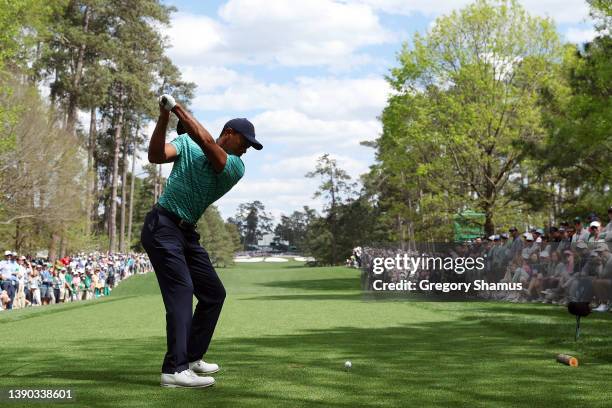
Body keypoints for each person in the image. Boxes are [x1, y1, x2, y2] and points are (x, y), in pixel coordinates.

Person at [141, 94, 262, 389]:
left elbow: (208, 144)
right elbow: (155, 155)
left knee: (212, 294)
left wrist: (178, 109)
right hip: (163, 226)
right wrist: (163, 118)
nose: (247, 149)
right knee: (182, 292)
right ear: (229, 133)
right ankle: (174, 369)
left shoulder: (234, 166)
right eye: (245, 142)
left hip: (186, 233)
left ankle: (191, 357)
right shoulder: (186, 144)